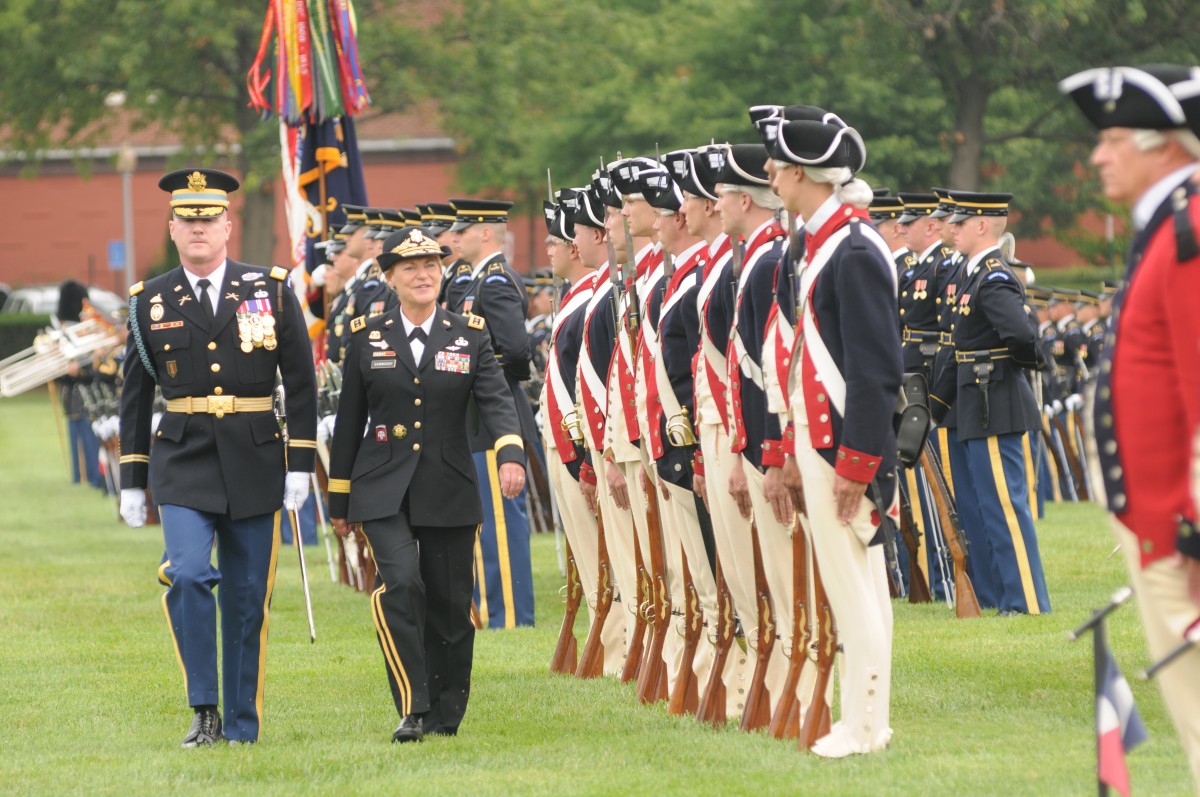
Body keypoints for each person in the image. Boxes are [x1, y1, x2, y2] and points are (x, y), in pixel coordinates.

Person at [118, 167, 317, 747]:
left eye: (209, 219)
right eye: (188, 220)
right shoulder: (149, 301)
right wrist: (133, 480)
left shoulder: (271, 289)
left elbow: (301, 383)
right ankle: (204, 707)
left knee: (247, 595)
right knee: (186, 573)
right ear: (173, 229)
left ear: (228, 226)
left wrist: (301, 463)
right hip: (184, 458)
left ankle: (241, 723)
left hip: (256, 456)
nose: (199, 229)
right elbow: (135, 396)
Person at [326, 226, 525, 743]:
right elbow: (349, 422)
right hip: (381, 487)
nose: (423, 275)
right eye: (410, 267)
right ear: (388, 277)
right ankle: (413, 705)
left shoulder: (470, 334)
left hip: (449, 484)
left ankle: (445, 714)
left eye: (432, 265)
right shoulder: (367, 337)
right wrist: (339, 498)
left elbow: (497, 400)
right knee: (402, 582)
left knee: (451, 608)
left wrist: (510, 455)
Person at [1061, 63, 1200, 790]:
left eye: (1114, 138)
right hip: (1157, 521)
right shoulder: (1168, 223)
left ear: (1165, 143)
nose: (1098, 155)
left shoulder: (1189, 227)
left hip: (1178, 529)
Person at [762, 106, 902, 758]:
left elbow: (875, 368)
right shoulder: (823, 242)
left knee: (853, 587)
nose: (767, 172)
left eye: (775, 163)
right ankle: (865, 718)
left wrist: (857, 460)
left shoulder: (852, 247)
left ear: (800, 171)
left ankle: (865, 722)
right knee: (852, 583)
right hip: (821, 441)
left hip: (843, 444)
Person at [930, 189, 1051, 616]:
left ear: (982, 226)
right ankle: (996, 596)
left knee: (1003, 507)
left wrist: (1005, 370)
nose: (951, 229)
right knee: (978, 507)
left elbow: (1022, 337)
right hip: (970, 402)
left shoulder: (993, 275)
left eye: (959, 223)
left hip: (993, 400)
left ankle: (1025, 602)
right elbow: (956, 346)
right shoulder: (969, 274)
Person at [447, 198, 538, 629]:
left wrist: (486, 377)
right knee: (485, 517)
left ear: (485, 233)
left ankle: (513, 619)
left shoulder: (495, 282)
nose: (454, 237)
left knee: (501, 519)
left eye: (462, 230)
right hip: (476, 413)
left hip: (493, 412)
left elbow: (517, 350)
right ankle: (492, 611)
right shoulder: (475, 283)